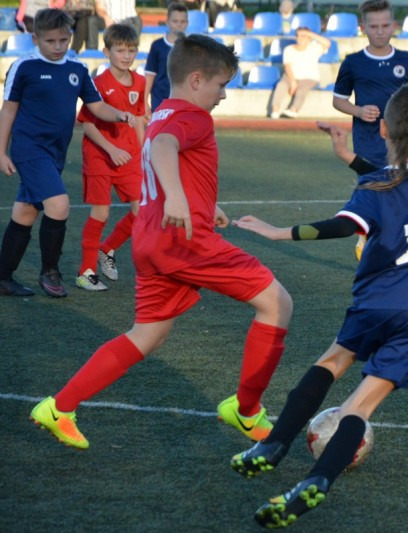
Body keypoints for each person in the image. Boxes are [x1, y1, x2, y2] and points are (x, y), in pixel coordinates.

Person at [29, 34, 294, 450]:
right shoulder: (194, 117)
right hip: (185, 241)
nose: (224, 95)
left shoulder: (163, 111)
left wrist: (202, 202)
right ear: (196, 79)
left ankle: (58, 407)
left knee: (147, 334)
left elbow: (169, 155)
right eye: (221, 85)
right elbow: (166, 149)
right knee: (278, 304)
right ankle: (246, 411)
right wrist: (176, 197)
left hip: (151, 241)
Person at [229, 83, 408, 529]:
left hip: (380, 300)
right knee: (359, 407)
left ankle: (273, 446)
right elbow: (398, 179)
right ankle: (317, 480)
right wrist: (349, 158)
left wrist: (278, 232)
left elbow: (343, 224)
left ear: (384, 129)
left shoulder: (373, 189)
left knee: (333, 361)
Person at [0, 8, 136, 298]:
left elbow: (96, 106)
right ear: (35, 39)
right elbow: (8, 111)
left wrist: (120, 115)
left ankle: (3, 277)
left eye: (63, 40)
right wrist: (1, 152)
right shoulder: (24, 67)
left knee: (25, 212)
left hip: (56, 153)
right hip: (29, 149)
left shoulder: (77, 69)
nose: (58, 46)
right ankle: (50, 272)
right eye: (50, 41)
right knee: (59, 204)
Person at [74, 23, 146, 291]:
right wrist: (111, 150)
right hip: (100, 155)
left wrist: (143, 152)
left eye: (131, 50)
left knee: (142, 211)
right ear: (107, 52)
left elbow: (139, 117)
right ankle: (86, 272)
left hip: (129, 154)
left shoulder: (140, 82)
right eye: (120, 50)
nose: (127, 56)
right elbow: (87, 124)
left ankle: (108, 248)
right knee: (101, 212)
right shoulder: (98, 83)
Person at [332, 0, 408, 169]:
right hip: (367, 144)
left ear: (394, 26)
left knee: (401, 185)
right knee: (372, 183)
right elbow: (338, 100)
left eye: (385, 26)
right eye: (374, 27)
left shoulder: (407, 60)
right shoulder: (353, 62)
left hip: (402, 143)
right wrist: (359, 111)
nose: (380, 32)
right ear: (363, 28)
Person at [269, 27, 330, 119]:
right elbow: (287, 66)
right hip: (290, 77)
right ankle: (275, 110)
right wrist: (293, 81)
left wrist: (309, 34)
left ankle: (294, 110)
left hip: (310, 78)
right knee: (281, 85)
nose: (300, 38)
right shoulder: (288, 49)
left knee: (302, 89)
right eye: (298, 36)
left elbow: (327, 43)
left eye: (304, 36)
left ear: (309, 38)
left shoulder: (315, 48)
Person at [144, 1, 188, 119]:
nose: (179, 25)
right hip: (160, 100)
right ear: (167, 21)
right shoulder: (157, 46)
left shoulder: (191, 47)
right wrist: (144, 101)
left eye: (182, 21)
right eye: (175, 21)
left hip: (183, 101)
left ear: (187, 23)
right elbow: (150, 75)